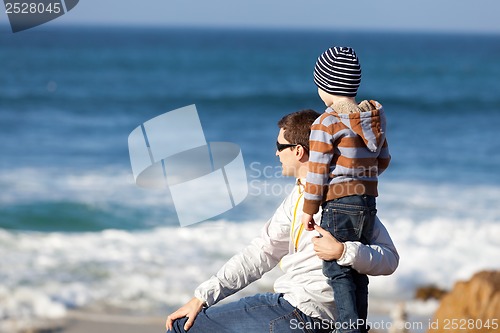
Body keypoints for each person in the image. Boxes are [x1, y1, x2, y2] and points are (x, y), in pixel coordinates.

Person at [166, 109, 398, 333]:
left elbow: (390, 259)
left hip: (300, 311)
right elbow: (260, 254)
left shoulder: (339, 198)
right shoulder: (322, 196)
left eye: (280, 147)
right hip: (312, 315)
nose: (276, 154)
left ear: (298, 151)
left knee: (180, 328)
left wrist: (343, 252)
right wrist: (202, 297)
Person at [301, 46, 391, 333]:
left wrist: (309, 209)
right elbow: (384, 160)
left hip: (338, 203)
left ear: (324, 86)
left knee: (336, 269)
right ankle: (358, 326)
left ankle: (348, 328)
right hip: (368, 202)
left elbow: (317, 171)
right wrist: (363, 179)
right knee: (357, 269)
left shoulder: (325, 122)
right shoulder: (374, 119)